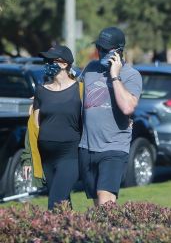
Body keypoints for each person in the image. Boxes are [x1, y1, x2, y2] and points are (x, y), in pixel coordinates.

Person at [79, 26, 142, 205]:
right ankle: (111, 233)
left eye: (105, 50)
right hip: (87, 146)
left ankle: (109, 233)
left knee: (105, 200)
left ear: (118, 52)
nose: (100, 52)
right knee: (98, 204)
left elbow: (128, 107)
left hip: (114, 147)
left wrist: (114, 76)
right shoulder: (90, 68)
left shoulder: (131, 75)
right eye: (99, 48)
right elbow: (75, 93)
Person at [26, 44, 82, 210]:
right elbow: (34, 126)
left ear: (64, 64)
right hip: (47, 156)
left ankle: (50, 235)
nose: (47, 64)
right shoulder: (41, 91)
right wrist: (29, 157)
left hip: (70, 155)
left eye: (51, 60)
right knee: (63, 203)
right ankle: (73, 234)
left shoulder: (80, 90)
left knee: (55, 201)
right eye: (45, 60)